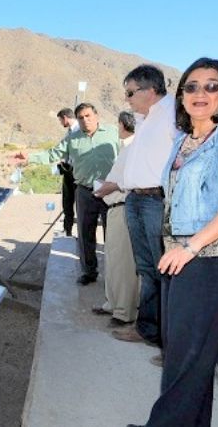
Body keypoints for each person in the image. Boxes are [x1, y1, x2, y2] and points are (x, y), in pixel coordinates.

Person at [128, 57, 218, 427]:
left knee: (187, 361)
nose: (199, 93)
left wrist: (190, 247)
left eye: (211, 85)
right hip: (183, 258)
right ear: (181, 96)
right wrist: (180, 249)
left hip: (216, 258)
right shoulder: (183, 141)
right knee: (186, 359)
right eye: (191, 86)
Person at [112, 64, 177, 348]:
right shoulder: (144, 118)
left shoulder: (174, 113)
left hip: (156, 200)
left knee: (163, 270)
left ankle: (168, 339)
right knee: (146, 268)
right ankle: (148, 329)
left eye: (130, 92)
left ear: (150, 90)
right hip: (136, 199)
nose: (127, 99)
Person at [17, 103, 119, 285]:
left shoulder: (113, 132)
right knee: (85, 234)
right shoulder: (72, 139)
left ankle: (114, 276)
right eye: (81, 118)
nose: (85, 120)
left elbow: (128, 152)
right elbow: (52, 154)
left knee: (112, 236)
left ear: (96, 116)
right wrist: (30, 158)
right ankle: (89, 272)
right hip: (85, 192)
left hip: (111, 192)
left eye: (88, 116)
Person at [92, 111, 139, 327]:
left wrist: (105, 188)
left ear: (122, 125)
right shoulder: (127, 148)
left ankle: (123, 312)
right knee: (112, 260)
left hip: (123, 207)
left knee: (123, 263)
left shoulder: (133, 148)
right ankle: (112, 303)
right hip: (114, 207)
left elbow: (126, 182)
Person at [56, 108, 79, 236]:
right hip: (68, 172)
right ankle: (67, 230)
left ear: (65, 117)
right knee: (67, 202)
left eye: (60, 120)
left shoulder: (78, 131)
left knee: (80, 205)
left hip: (78, 173)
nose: (61, 123)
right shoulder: (68, 133)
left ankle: (82, 234)